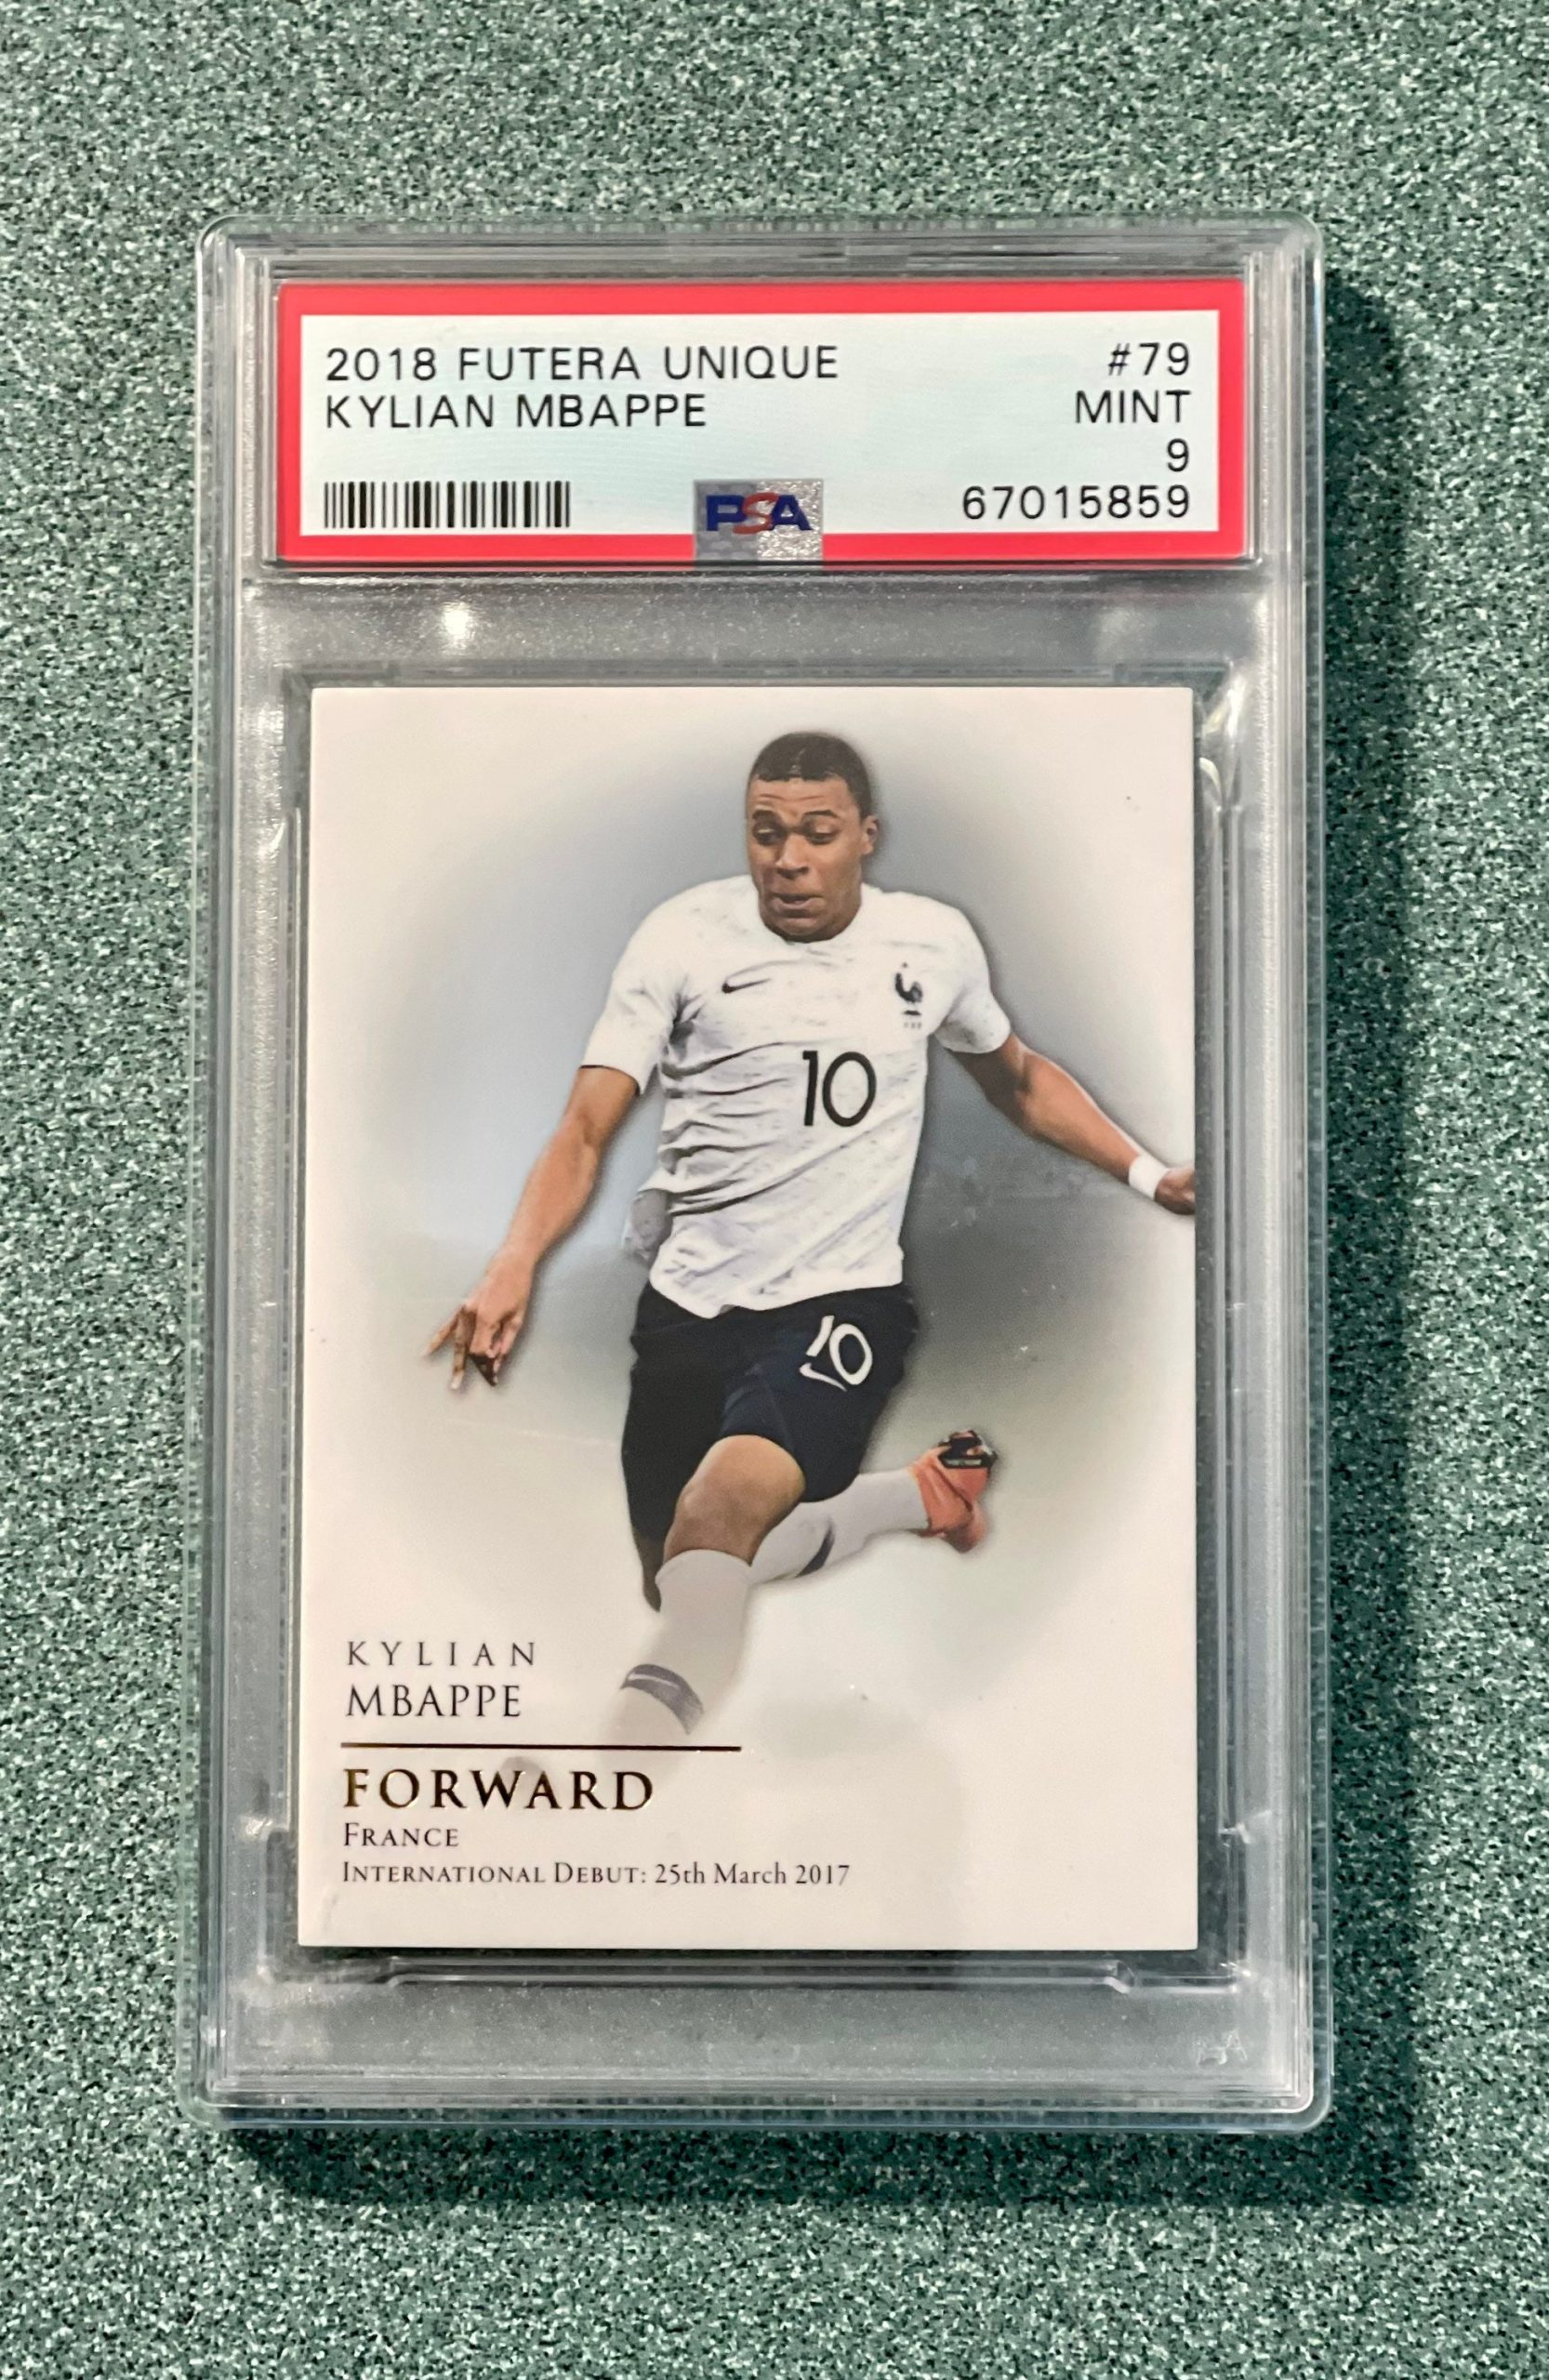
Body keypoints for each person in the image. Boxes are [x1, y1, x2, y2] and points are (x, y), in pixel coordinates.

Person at [430, 731, 1194, 1743]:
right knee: (680, 1576)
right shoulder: (681, 939)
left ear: (865, 836)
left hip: (839, 1307)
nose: (788, 859)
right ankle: (916, 1498)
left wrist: (1148, 1172)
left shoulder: (929, 944)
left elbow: (1016, 1077)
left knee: (715, 1527)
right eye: (766, 832)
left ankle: (617, 1774)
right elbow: (584, 1127)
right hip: (689, 1307)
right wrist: (514, 1261)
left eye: (817, 833)